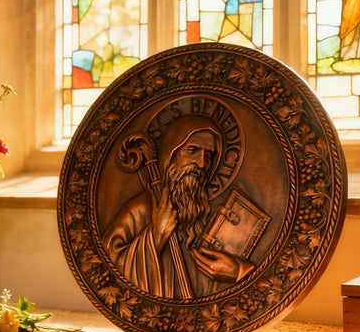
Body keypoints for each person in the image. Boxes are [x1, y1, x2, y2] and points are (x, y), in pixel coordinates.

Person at [103, 115, 254, 299]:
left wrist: (238, 272)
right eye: (192, 150)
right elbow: (106, 270)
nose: (202, 163)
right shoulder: (138, 211)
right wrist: (156, 235)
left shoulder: (214, 213)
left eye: (209, 155)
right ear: (170, 155)